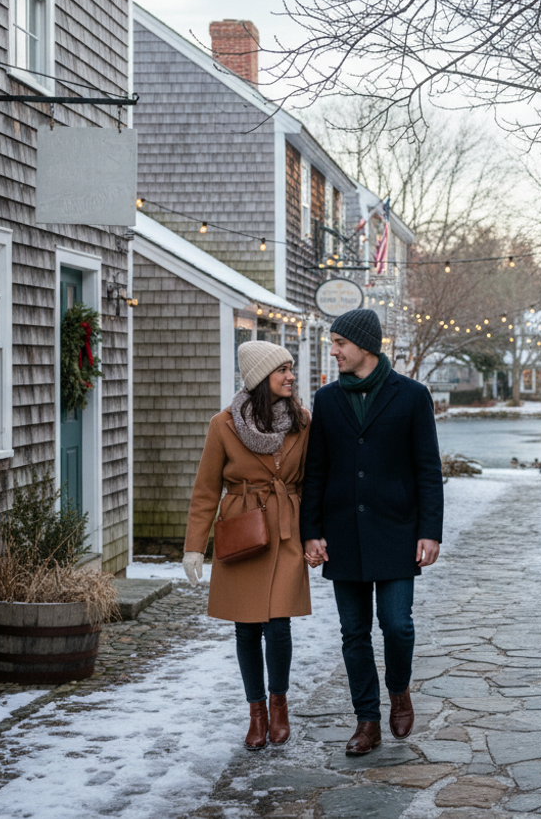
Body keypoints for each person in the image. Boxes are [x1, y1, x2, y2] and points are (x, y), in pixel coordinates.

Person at [300, 308, 444, 756]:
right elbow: (316, 471)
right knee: (353, 632)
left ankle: (399, 690)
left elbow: (427, 469)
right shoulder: (326, 400)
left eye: (340, 342)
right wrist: (311, 531)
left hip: (398, 531)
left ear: (364, 344)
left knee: (397, 626)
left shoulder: (412, 396)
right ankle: (367, 720)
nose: (334, 350)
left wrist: (430, 531)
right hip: (344, 535)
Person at [183, 341, 311, 751]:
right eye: (282, 370)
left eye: (291, 368)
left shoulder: (303, 421)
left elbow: (313, 482)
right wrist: (193, 547)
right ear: (260, 379)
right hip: (243, 529)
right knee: (246, 627)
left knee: (279, 624)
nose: (291, 376)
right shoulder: (223, 425)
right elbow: (206, 490)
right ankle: (255, 712)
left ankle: (279, 707)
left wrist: (316, 533)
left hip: (287, 529)